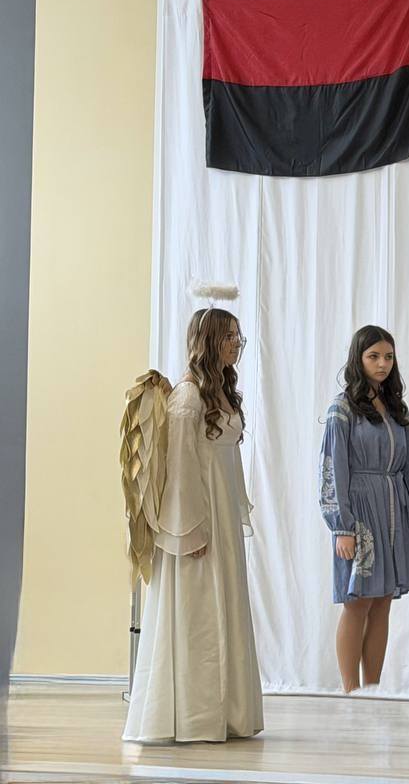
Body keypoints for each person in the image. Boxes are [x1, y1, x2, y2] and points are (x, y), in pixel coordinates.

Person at [123, 308, 263, 743]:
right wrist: (189, 530)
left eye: (238, 336)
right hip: (200, 519)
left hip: (222, 516)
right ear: (209, 341)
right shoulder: (188, 398)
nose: (236, 343)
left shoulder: (219, 392)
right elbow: (180, 471)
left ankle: (229, 712)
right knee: (199, 615)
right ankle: (195, 716)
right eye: (228, 336)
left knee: (224, 608)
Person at [320, 325, 409, 693]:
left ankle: (373, 690)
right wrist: (342, 526)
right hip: (361, 513)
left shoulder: (398, 409)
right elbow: (332, 469)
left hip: (395, 511)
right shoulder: (342, 409)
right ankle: (350, 691)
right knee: (358, 602)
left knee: (383, 602)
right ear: (358, 358)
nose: (382, 364)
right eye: (374, 356)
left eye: (388, 357)